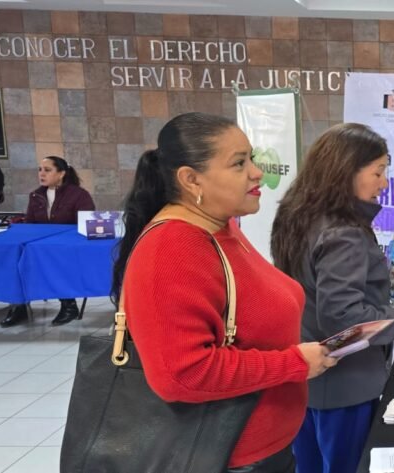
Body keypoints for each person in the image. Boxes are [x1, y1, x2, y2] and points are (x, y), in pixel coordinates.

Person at [112, 112, 336, 472]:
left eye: (252, 159)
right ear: (191, 179)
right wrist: (294, 364)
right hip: (227, 457)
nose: (256, 172)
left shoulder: (220, 227)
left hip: (267, 446)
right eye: (239, 163)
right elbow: (182, 374)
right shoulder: (171, 248)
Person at [271, 123, 394, 473]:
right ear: (346, 171)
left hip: (307, 377)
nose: (384, 183)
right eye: (378, 172)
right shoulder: (343, 233)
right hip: (345, 386)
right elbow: (344, 316)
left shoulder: (297, 216)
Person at [0, 155, 95, 328]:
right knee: (15, 259)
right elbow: (30, 225)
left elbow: (86, 223)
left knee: (54, 259)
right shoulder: (35, 195)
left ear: (61, 173)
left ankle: (68, 306)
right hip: (38, 247)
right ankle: (18, 305)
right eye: (40, 170)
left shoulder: (79, 195)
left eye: (47, 170)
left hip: (66, 248)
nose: (41, 174)